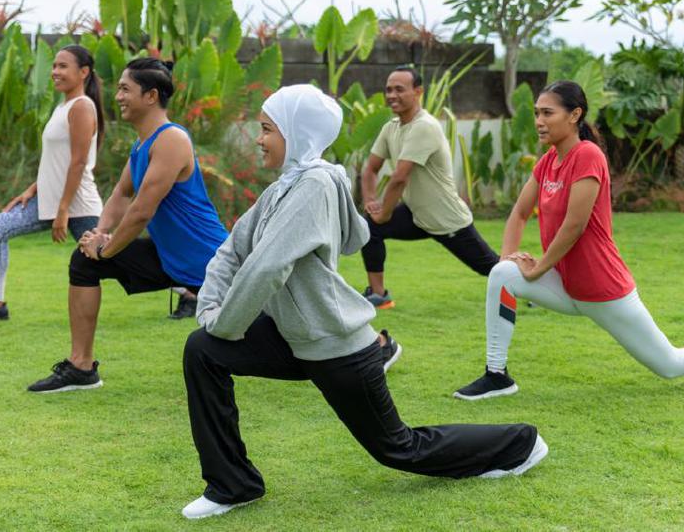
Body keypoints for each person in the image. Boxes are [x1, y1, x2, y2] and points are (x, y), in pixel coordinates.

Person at [180, 84, 546, 520]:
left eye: (266, 130)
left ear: (296, 133)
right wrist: (210, 307)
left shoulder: (315, 182)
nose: (259, 139)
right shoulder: (287, 186)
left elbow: (264, 267)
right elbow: (235, 248)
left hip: (336, 345)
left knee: (399, 449)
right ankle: (232, 484)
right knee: (202, 352)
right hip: (293, 336)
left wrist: (224, 324)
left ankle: (518, 443)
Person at [455, 81, 684, 401]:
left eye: (547, 113)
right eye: (536, 113)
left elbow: (575, 225)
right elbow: (519, 213)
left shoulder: (588, 155)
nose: (539, 120)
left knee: (670, 364)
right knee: (502, 274)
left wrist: (538, 270)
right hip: (567, 285)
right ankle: (496, 375)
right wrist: (509, 259)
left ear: (574, 115)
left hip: (602, 288)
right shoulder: (548, 161)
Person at [26, 58, 228, 393]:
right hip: (169, 258)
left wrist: (105, 248)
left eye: (124, 89)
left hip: (210, 259)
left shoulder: (172, 139)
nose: (117, 96)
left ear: (150, 96)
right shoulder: (141, 144)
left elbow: (141, 212)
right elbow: (122, 194)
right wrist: (98, 232)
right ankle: (81, 368)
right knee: (83, 263)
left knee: (272, 318)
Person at [0, 45, 104, 323]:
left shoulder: (82, 107)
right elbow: (56, 160)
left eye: (63, 66)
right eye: (54, 66)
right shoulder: (63, 106)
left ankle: (185, 290)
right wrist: (32, 189)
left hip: (77, 204)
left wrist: (63, 210)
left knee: (110, 257)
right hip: (49, 199)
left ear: (83, 72)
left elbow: (78, 162)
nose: (55, 71)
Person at [360, 66, 498, 309]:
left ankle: (533, 289)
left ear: (418, 92)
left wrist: (385, 213)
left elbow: (400, 177)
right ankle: (379, 295)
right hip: (417, 214)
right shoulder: (391, 127)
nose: (392, 95)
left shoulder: (424, 126)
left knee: (490, 267)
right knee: (370, 227)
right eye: (388, 90)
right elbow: (370, 168)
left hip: (446, 218)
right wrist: (371, 201)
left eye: (399, 89)